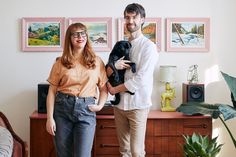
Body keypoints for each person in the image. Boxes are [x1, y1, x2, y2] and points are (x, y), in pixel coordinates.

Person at [46, 23, 108, 157]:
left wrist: (100, 106)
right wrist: (49, 118)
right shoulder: (60, 62)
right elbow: (51, 91)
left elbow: (103, 89)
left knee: (83, 154)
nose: (80, 37)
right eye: (75, 34)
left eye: (83, 33)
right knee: (63, 154)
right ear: (69, 38)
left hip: (87, 109)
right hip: (62, 110)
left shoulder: (97, 62)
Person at [106, 3, 159, 157]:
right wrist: (114, 65)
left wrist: (114, 90)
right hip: (120, 106)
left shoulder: (149, 47)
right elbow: (107, 70)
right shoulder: (121, 45)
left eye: (134, 17)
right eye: (127, 17)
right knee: (124, 151)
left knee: (136, 151)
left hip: (138, 106)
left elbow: (141, 79)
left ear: (142, 19)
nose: (130, 21)